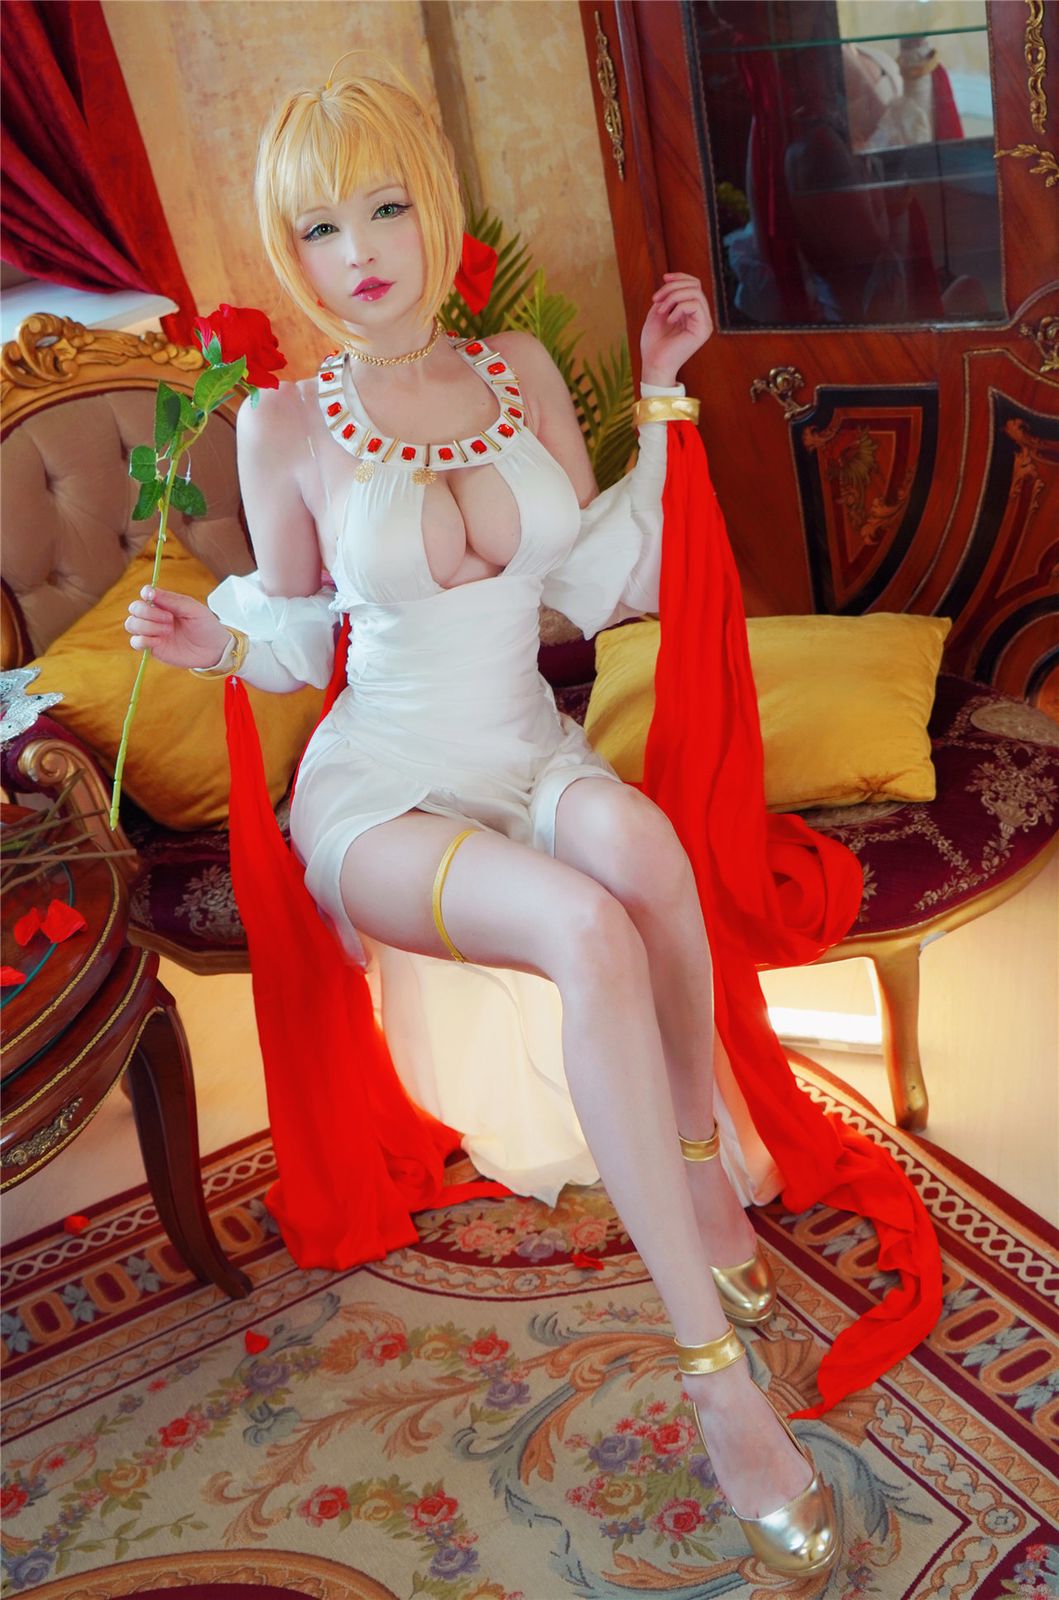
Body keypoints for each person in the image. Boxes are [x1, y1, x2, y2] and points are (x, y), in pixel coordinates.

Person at [125, 63, 846, 1576]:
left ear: (433, 210)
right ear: (292, 251)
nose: (359, 253)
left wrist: (660, 390)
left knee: (642, 853)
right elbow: (298, 636)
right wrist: (213, 644)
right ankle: (717, 1383)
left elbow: (584, 581)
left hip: (525, 744)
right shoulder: (282, 423)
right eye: (320, 228)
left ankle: (700, 1168)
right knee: (587, 928)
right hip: (382, 787)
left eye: (385, 208)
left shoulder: (516, 366)